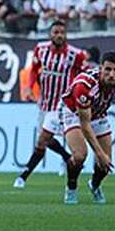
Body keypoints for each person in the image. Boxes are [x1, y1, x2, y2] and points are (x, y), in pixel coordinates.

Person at [13, 21, 87, 189]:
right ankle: (67, 158)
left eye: (62, 32)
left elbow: (82, 76)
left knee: (42, 141)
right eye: (56, 32)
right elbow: (33, 69)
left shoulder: (76, 55)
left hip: (62, 106)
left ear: (66, 35)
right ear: (50, 34)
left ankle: (23, 176)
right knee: (44, 139)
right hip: (44, 103)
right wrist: (29, 87)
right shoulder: (41, 49)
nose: (59, 35)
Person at [59, 52, 115, 205]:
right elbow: (85, 125)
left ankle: (94, 185)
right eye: (107, 69)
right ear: (100, 68)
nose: (112, 74)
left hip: (98, 113)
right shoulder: (85, 85)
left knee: (105, 164)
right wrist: (99, 153)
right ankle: (71, 188)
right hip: (74, 112)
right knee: (80, 155)